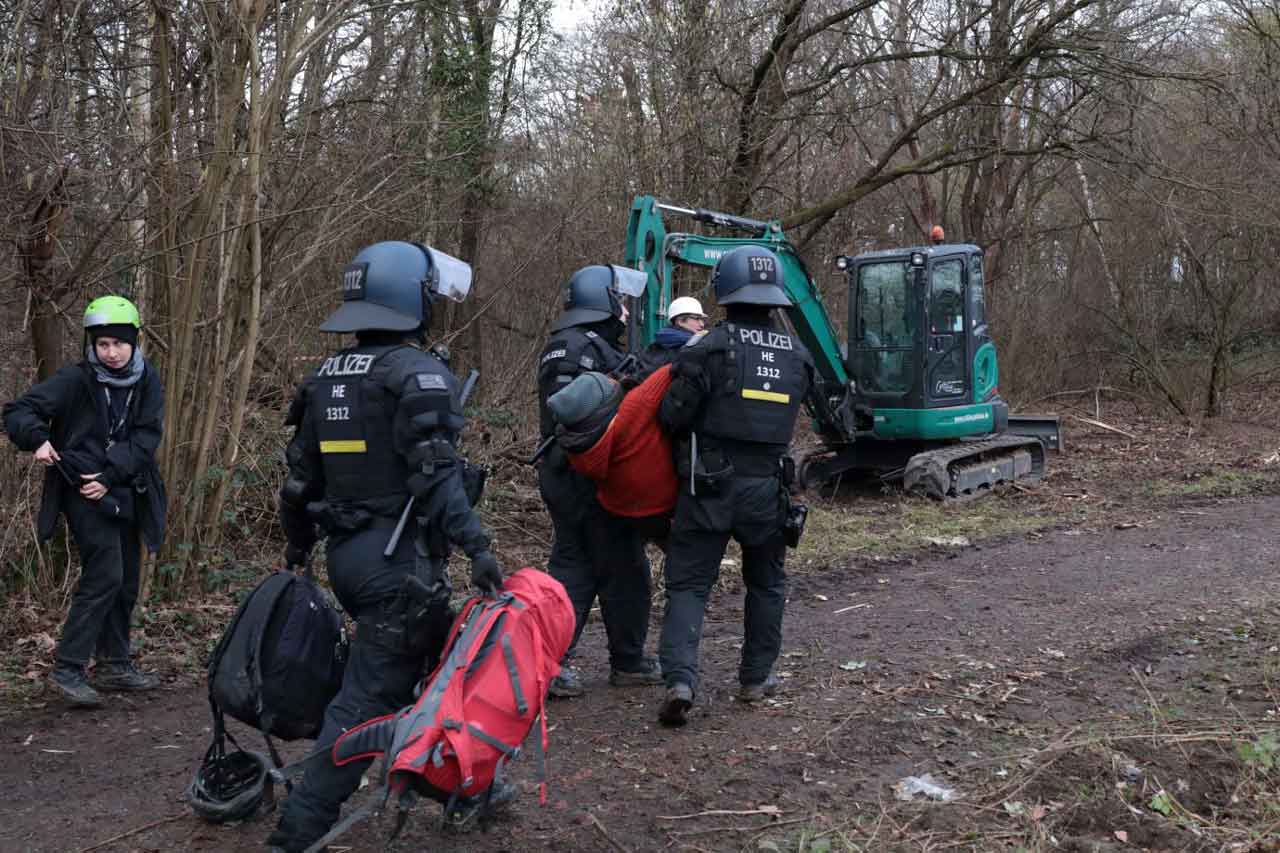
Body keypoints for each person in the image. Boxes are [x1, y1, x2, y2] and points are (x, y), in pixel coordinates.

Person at [268, 241, 504, 853]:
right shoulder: (417, 376)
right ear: (412, 298)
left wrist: (297, 552)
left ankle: (468, 788)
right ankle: (296, 832)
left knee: (427, 680)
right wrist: (476, 546)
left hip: (348, 558)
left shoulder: (324, 378)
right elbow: (437, 478)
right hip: (398, 567)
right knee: (367, 701)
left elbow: (299, 484)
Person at [654, 246, 815, 727]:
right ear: (775, 297)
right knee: (766, 582)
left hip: (708, 488)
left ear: (724, 292)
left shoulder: (707, 348)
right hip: (769, 489)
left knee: (688, 584)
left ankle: (680, 680)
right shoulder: (799, 355)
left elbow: (671, 416)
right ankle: (756, 678)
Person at [3, 296, 166, 708]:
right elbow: (18, 412)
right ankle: (68, 668)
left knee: (127, 578)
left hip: (125, 488)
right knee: (106, 574)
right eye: (102, 344)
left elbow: (146, 436)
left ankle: (114, 664)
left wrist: (109, 476)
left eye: (118, 344)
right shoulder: (76, 380)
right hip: (79, 490)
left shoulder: (148, 380)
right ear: (91, 345)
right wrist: (37, 439)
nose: (110, 353)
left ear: (135, 342)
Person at [535, 265, 662, 697]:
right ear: (601, 301)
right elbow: (585, 419)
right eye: (619, 302)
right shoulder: (583, 350)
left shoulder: (565, 346)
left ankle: (550, 662)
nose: (624, 312)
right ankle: (626, 661)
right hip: (586, 478)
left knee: (575, 567)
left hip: (563, 476)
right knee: (621, 568)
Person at [640, 295, 708, 373]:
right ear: (680, 321)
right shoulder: (689, 349)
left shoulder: (656, 346)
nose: (702, 324)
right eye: (697, 319)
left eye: (702, 319)